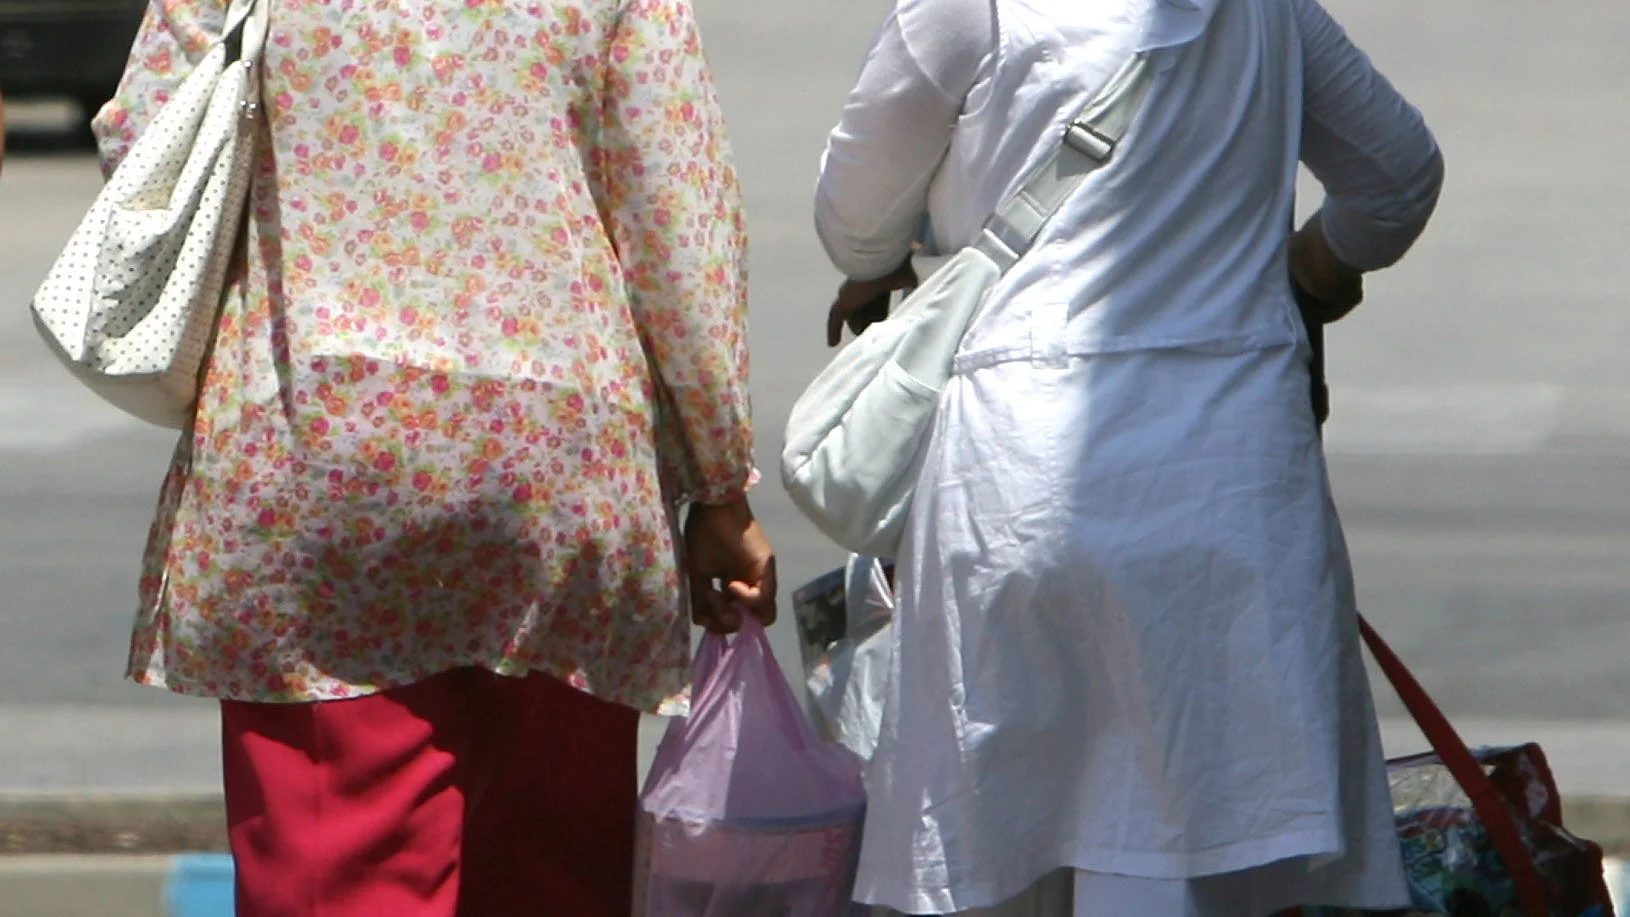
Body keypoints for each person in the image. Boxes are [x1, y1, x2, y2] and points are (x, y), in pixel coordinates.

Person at [92, 1, 773, 915]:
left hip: (318, 428)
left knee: (336, 868)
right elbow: (675, 217)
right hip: (561, 452)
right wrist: (720, 484)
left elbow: (145, 141)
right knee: (550, 869)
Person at [813, 0, 1443, 915]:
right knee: (1184, 858)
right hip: (1234, 484)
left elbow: (856, 225)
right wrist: (1312, 264)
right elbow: (1397, 177)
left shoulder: (963, 10)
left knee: (1004, 853)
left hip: (1018, 481)